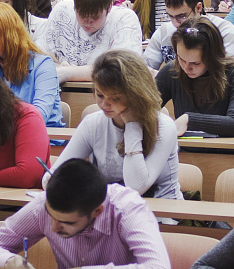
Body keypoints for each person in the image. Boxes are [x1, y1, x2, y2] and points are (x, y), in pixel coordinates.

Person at [0, 158, 170, 269]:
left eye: (67, 223)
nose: (54, 228)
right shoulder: (43, 205)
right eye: (51, 216)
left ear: (97, 211)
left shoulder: (127, 208)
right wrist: (8, 261)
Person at [55, 50, 181, 200]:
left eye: (115, 98)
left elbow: (136, 187)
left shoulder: (165, 127)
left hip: (161, 210)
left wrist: (132, 124)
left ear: (135, 95)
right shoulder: (92, 124)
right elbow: (55, 175)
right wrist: (54, 180)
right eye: (100, 95)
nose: (104, 104)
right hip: (111, 209)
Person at [157, 18, 234, 137]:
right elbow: (144, 108)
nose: (186, 68)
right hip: (184, 148)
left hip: (226, 148)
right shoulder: (172, 70)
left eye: (196, 63)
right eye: (181, 59)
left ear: (213, 57)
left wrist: (190, 120)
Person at [43, 0, 143, 84]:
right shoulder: (61, 11)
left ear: (109, 7)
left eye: (95, 17)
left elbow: (124, 70)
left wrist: (68, 72)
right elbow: (41, 61)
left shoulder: (125, 19)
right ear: (74, 6)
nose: (88, 22)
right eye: (82, 15)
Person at [145, 0, 234, 69]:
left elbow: (226, 70)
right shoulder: (163, 31)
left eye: (181, 16)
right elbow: (146, 69)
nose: (175, 23)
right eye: (170, 16)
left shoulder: (223, 29)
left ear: (198, 8)